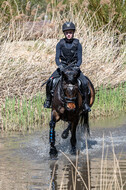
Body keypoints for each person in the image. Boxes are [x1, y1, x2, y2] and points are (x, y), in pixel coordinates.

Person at [44, 21, 91, 112]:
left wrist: (77, 66)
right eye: (67, 33)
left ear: (73, 33)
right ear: (64, 33)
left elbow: (80, 59)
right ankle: (48, 101)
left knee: (84, 83)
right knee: (50, 81)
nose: (68, 34)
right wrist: (60, 66)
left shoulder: (78, 44)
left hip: (74, 67)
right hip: (63, 67)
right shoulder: (60, 44)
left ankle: (85, 104)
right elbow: (57, 59)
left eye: (70, 33)